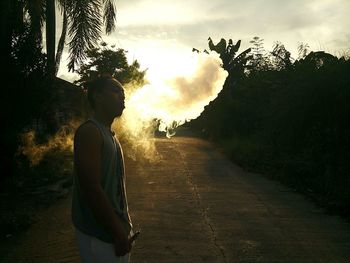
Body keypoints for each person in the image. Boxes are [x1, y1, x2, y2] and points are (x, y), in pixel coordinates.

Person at [71, 76, 137, 263]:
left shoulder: (110, 134)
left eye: (124, 94)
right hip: (100, 236)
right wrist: (117, 231)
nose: (122, 98)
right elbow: (91, 188)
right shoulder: (91, 132)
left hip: (115, 233)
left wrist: (124, 229)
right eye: (116, 92)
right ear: (98, 97)